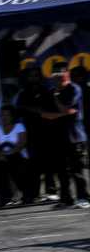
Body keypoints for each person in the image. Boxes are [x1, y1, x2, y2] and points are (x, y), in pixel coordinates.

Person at [44, 61, 89, 208]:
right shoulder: (50, 91)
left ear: (67, 74)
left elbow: (65, 108)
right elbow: (45, 114)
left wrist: (57, 96)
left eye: (61, 73)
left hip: (75, 136)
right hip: (58, 136)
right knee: (62, 171)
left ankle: (84, 198)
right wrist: (61, 113)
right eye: (55, 73)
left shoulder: (74, 89)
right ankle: (66, 199)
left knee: (78, 170)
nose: (59, 76)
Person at [15, 68, 56, 202]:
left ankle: (52, 191)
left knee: (50, 163)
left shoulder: (46, 91)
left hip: (47, 132)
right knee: (34, 165)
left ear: (40, 77)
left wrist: (28, 109)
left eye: (35, 76)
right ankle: (35, 194)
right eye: (30, 76)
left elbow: (43, 111)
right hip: (31, 134)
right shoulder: (23, 94)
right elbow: (19, 112)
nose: (32, 78)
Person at [0, 105, 30, 208]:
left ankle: (26, 195)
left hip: (18, 156)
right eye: (2, 115)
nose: (4, 117)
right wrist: (0, 155)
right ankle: (6, 198)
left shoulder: (19, 127)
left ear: (12, 116)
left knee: (19, 172)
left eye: (7, 115)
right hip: (2, 158)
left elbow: (22, 142)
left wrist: (11, 153)